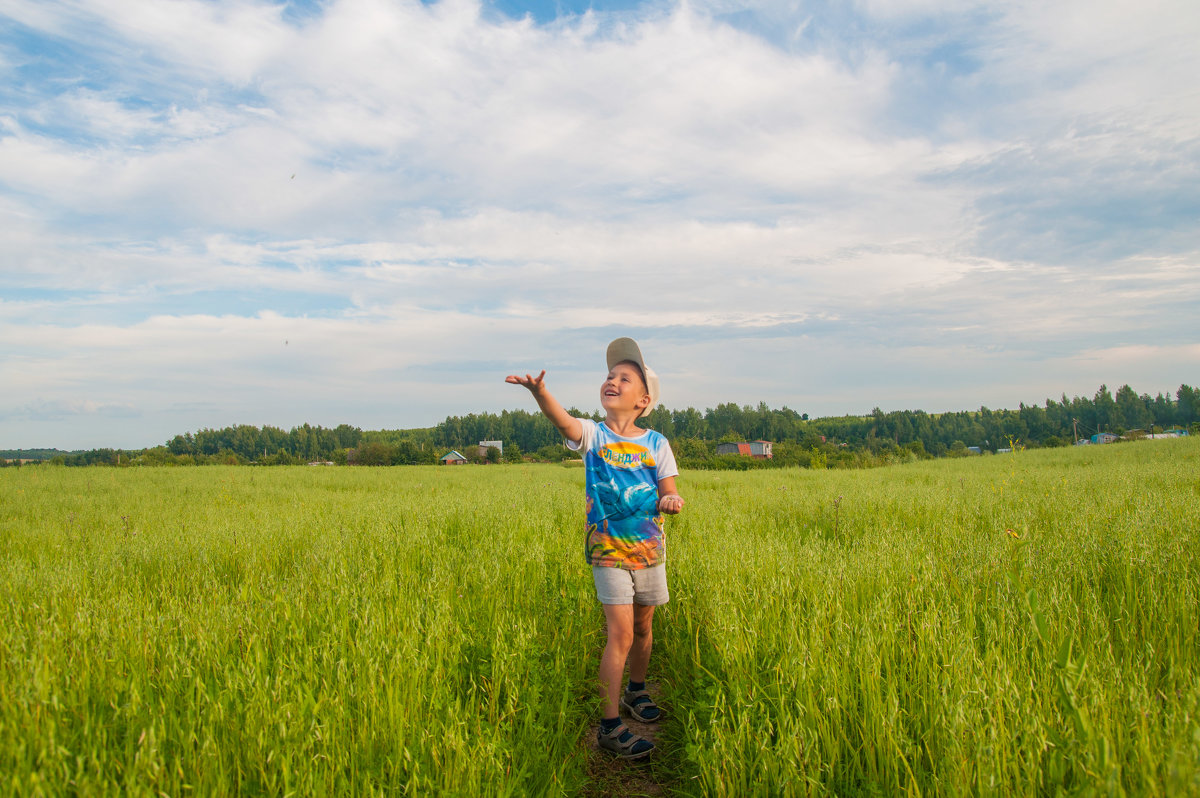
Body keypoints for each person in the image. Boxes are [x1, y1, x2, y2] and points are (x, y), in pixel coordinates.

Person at [506, 337, 684, 760]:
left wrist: (670, 501)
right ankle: (609, 727)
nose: (612, 381)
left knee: (644, 628)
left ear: (643, 400)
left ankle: (635, 692)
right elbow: (563, 422)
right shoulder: (594, 434)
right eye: (609, 376)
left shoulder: (657, 443)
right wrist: (540, 393)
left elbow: (669, 490)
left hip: (648, 553)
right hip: (607, 552)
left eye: (624, 378)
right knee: (620, 633)